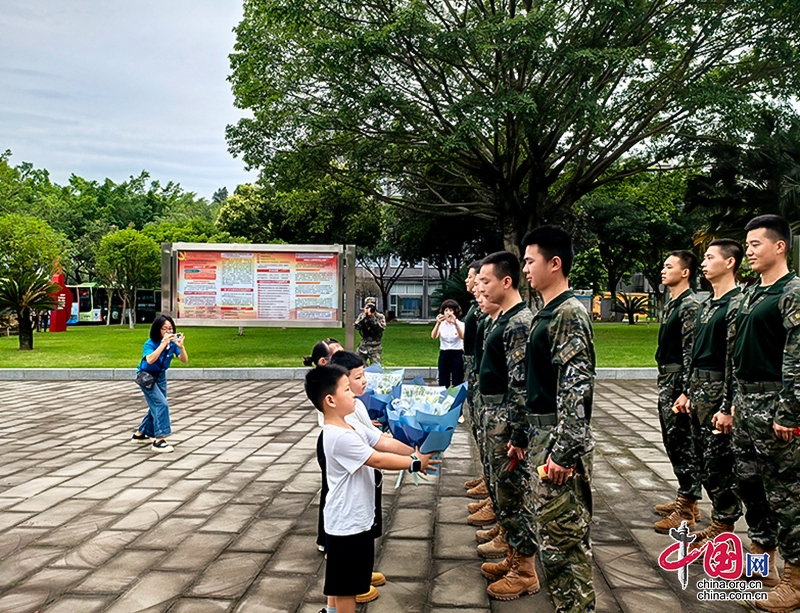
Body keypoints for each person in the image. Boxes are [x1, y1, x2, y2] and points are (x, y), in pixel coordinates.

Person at [304, 365, 440, 613]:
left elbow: (382, 441)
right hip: (347, 523)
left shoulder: (350, 427)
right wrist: (415, 464)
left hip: (353, 518)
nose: (354, 394)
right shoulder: (338, 436)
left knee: (341, 578)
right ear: (330, 400)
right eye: (347, 390)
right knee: (348, 586)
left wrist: (414, 450)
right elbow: (376, 459)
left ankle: (330, 611)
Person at [517, 225, 595, 613]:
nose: (525, 269)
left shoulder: (568, 313)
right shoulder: (545, 313)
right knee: (551, 538)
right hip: (541, 434)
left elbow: (576, 388)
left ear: (555, 263)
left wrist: (563, 453)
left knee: (565, 542)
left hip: (556, 440)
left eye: (531, 261)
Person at [730, 215, 800, 612]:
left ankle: (795, 578)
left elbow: (797, 360)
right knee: (751, 487)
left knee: (786, 495)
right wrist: (733, 403)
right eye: (747, 243)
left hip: (776, 406)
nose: (749, 251)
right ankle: (761, 566)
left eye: (756, 244)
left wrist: (788, 413)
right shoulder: (753, 294)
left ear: (780, 247)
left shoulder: (792, 293)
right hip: (747, 405)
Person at [472, 251, 537, 601]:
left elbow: (521, 386)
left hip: (507, 421)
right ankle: (513, 555)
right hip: (493, 414)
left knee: (514, 493)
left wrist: (518, 433)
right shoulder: (501, 320)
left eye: (485, 281)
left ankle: (525, 570)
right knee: (503, 491)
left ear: (506, 282)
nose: (479, 287)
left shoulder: (518, 323)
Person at [328, 351, 412, 603]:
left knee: (364, 535)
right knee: (343, 573)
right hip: (347, 505)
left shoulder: (357, 405)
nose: (364, 382)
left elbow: (374, 437)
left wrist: (414, 446)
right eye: (357, 378)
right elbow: (376, 454)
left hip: (360, 491)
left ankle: (359, 576)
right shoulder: (340, 428)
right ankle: (356, 584)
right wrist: (414, 462)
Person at [682, 239, 745, 550]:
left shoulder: (737, 304)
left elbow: (732, 359)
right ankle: (718, 520)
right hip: (700, 389)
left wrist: (727, 404)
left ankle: (724, 523)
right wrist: (689, 391)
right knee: (704, 461)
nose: (703, 263)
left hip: (719, 390)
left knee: (719, 461)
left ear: (730, 263)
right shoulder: (708, 304)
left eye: (710, 257)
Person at [652, 250, 703, 533]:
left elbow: (690, 353)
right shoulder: (672, 303)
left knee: (681, 441)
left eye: (669, 266)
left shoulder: (689, 306)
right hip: (667, 378)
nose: (663, 269)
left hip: (677, 382)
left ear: (685, 272)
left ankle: (686, 509)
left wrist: (685, 390)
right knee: (673, 442)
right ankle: (687, 498)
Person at [308, 338, 345, 554]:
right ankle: (326, 539)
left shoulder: (334, 380)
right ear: (323, 361)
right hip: (331, 441)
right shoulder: (324, 385)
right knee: (332, 492)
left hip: (339, 437)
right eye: (336, 356)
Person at [131, 315, 188, 453]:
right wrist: (163, 344)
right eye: (165, 329)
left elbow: (184, 360)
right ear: (158, 330)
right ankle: (159, 439)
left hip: (160, 376)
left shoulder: (173, 344)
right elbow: (150, 360)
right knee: (161, 404)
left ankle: (141, 434)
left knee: (157, 405)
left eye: (171, 329)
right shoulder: (150, 344)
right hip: (146, 376)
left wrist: (181, 347)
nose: (168, 332)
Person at [431, 298, 466, 387]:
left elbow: (462, 336)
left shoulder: (461, 324)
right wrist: (438, 323)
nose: (448, 313)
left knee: (457, 380)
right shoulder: (442, 324)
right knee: (443, 381)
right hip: (444, 353)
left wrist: (455, 324)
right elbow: (434, 336)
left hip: (457, 353)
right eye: (446, 310)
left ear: (455, 312)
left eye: (451, 310)